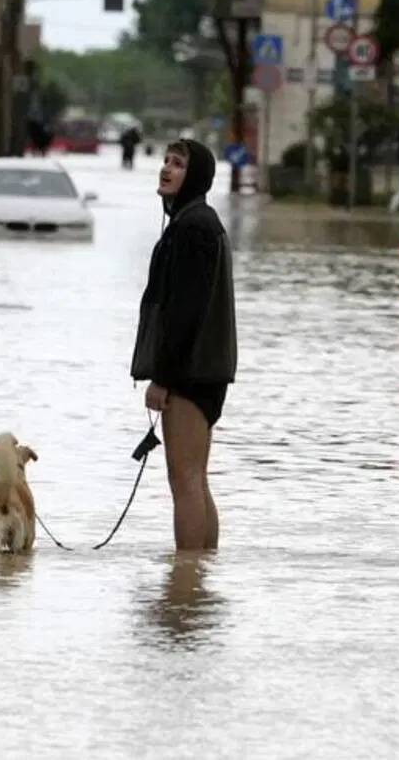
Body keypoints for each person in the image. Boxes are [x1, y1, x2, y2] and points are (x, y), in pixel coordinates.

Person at [131, 139, 237, 552]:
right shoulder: (195, 223)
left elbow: (185, 313)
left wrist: (163, 378)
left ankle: (187, 589)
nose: (167, 169)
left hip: (191, 373)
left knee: (185, 478)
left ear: (195, 177)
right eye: (166, 161)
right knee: (195, 476)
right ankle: (199, 581)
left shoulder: (194, 228)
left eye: (177, 164)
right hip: (202, 369)